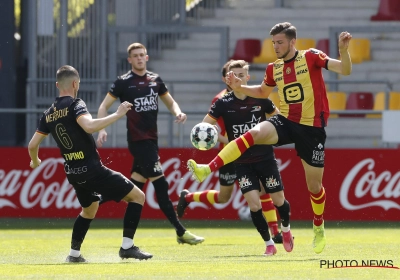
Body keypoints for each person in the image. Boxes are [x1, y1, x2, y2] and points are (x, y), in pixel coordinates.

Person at [187, 22, 353, 254]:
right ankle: (208, 168)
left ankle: (318, 226)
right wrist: (240, 87)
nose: (275, 46)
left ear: (293, 41)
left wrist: (344, 52)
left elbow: (345, 70)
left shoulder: (311, 57)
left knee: (314, 187)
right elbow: (263, 93)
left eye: (280, 42)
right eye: (273, 42)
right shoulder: (272, 68)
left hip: (312, 128)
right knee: (253, 133)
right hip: (286, 121)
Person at [27, 65, 153, 263]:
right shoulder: (75, 104)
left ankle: (74, 255)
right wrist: (118, 114)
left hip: (73, 172)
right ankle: (127, 247)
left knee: (89, 209)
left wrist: (35, 161)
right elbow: (89, 125)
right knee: (138, 196)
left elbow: (33, 144)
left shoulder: (48, 113)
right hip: (92, 170)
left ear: (57, 85)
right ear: (76, 83)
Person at [96, 42, 204, 245]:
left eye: (142, 55)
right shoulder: (123, 82)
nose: (138, 58)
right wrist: (102, 129)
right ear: (129, 60)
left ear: (147, 57)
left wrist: (178, 112)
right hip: (138, 141)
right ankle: (180, 231)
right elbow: (103, 106)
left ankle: (105, 198)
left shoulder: (155, 80)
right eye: (135, 55)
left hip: (151, 141)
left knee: (134, 188)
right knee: (161, 186)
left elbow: (170, 101)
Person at [184, 60, 293, 256]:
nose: (237, 79)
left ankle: (285, 229)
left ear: (248, 78)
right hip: (241, 162)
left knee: (279, 201)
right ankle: (269, 243)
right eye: (233, 76)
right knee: (254, 204)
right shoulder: (222, 103)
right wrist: (206, 134)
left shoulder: (261, 98)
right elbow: (205, 126)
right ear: (228, 79)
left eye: (241, 75)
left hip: (265, 158)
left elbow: (279, 121)